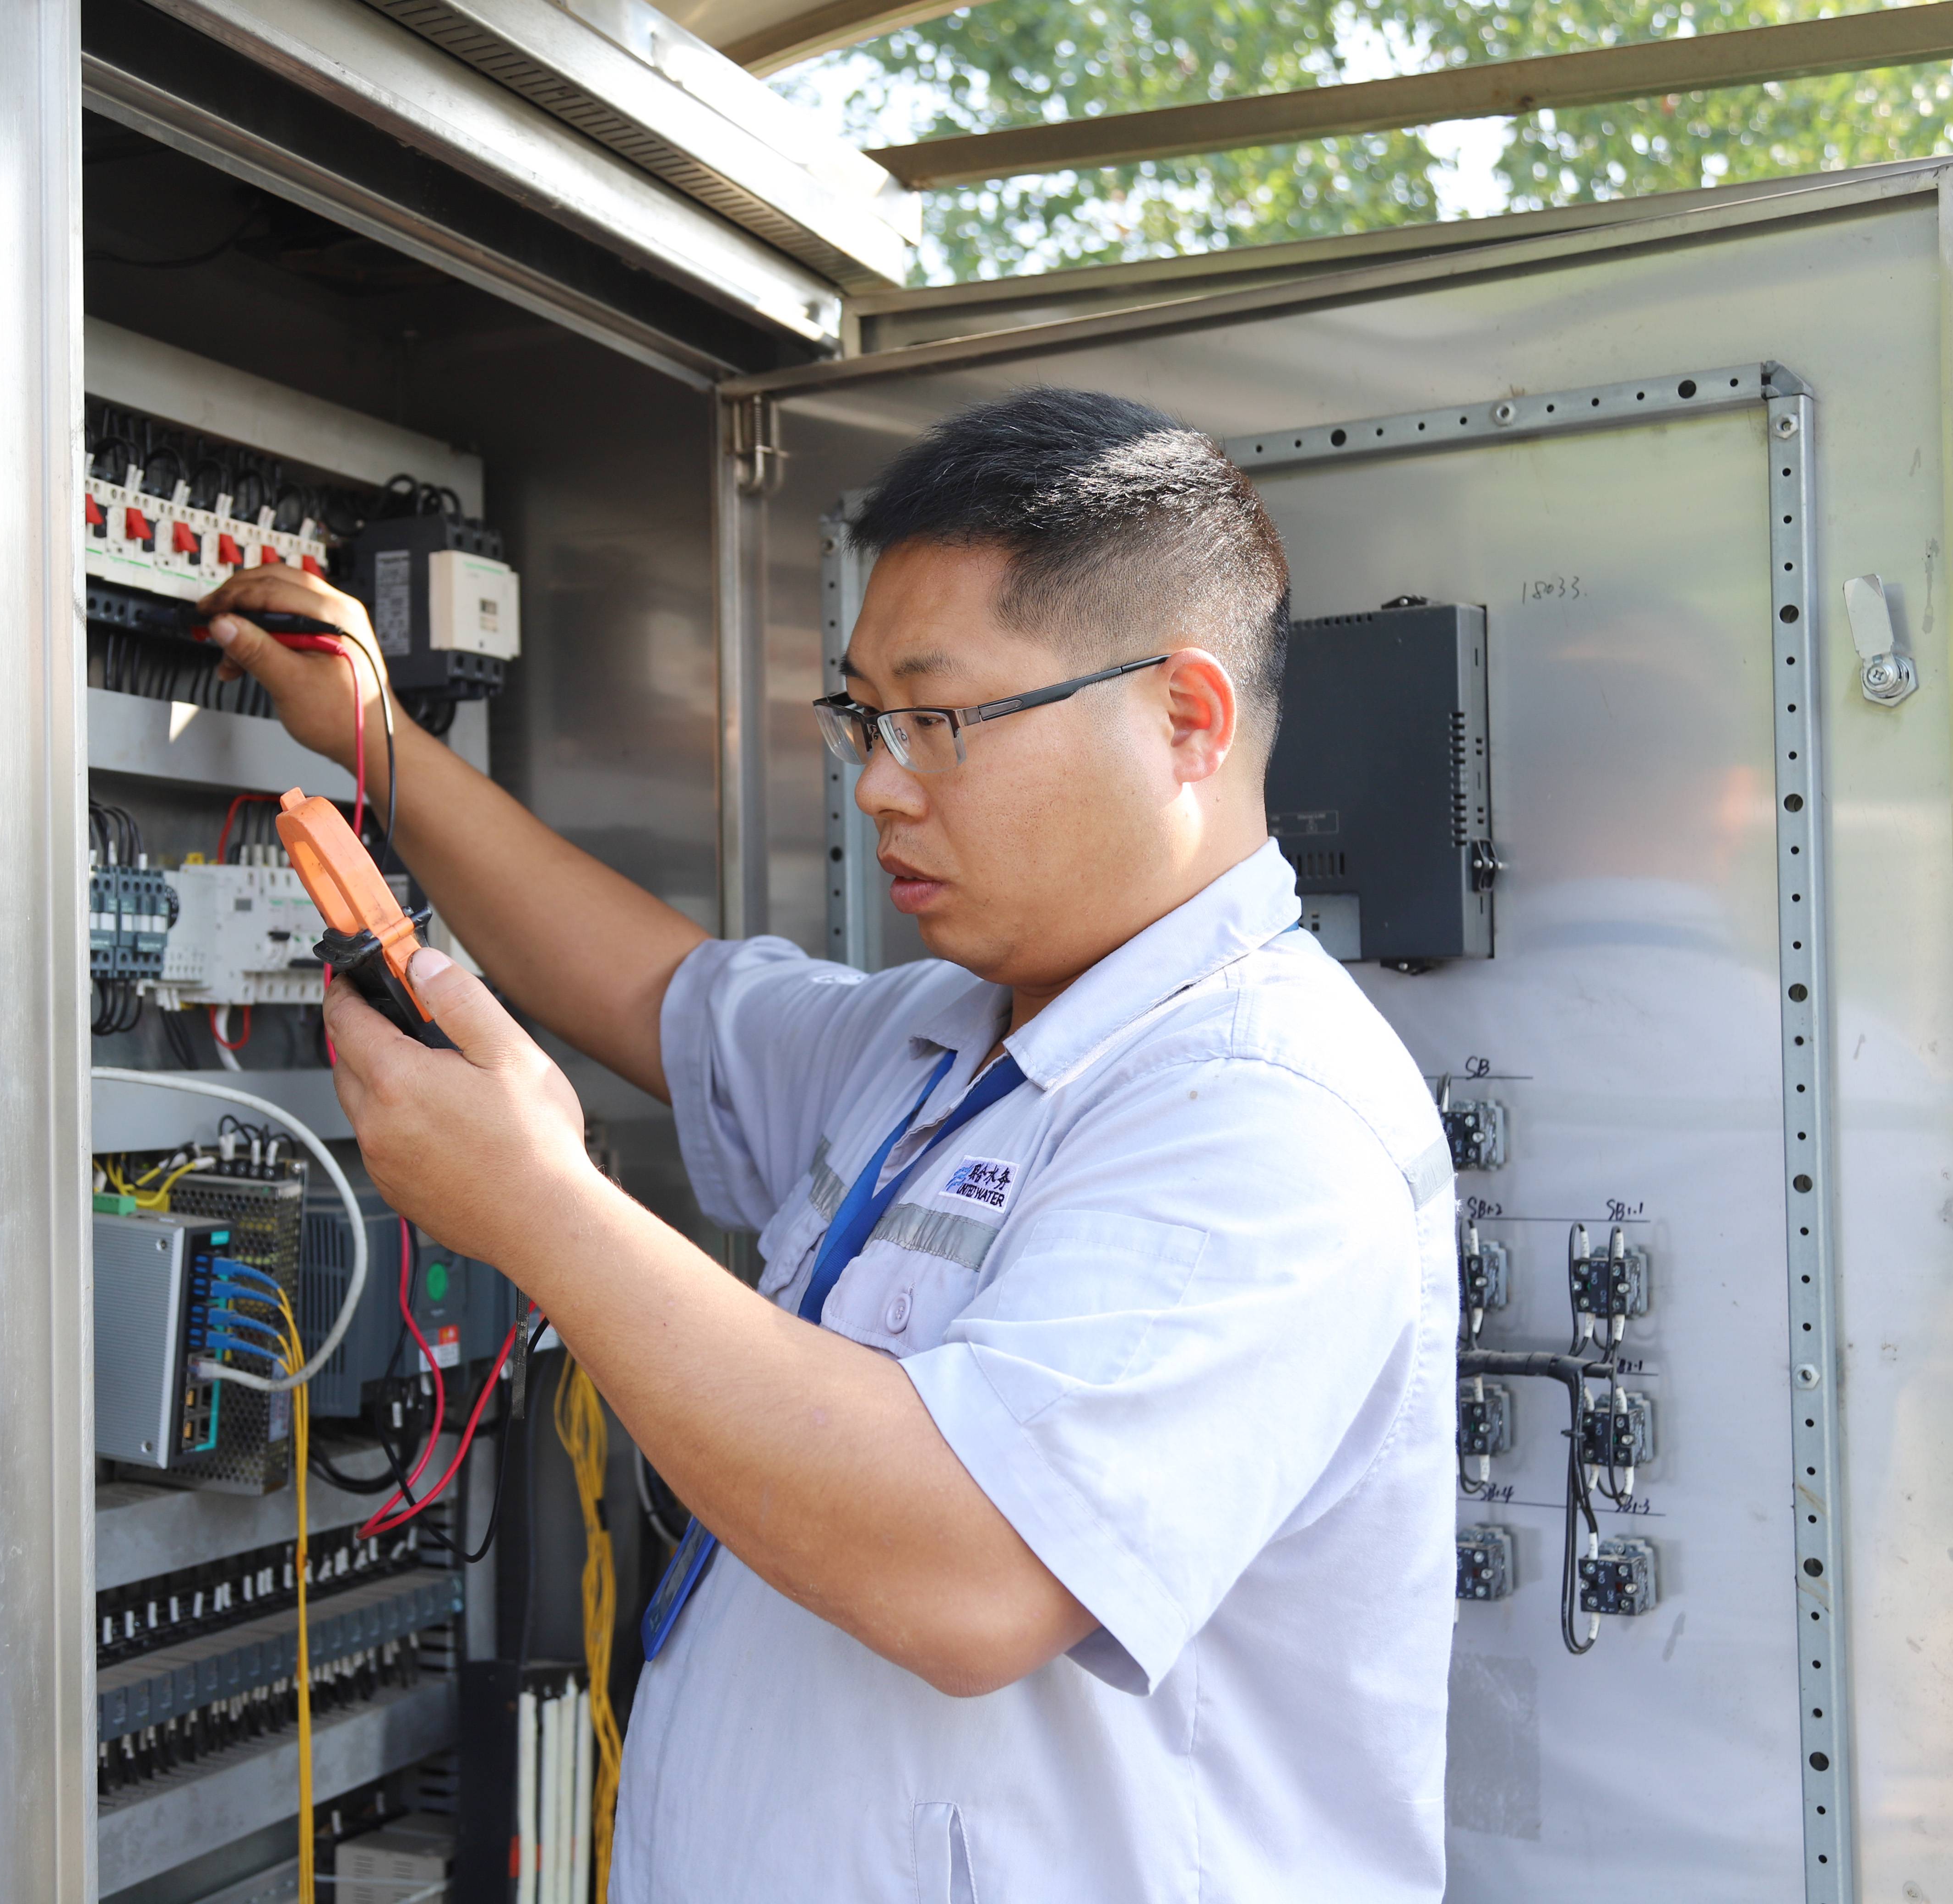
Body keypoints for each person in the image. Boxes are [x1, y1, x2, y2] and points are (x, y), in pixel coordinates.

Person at [194, 388, 1455, 1903]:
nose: (877, 783)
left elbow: (972, 1576)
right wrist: (377, 745)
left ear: (1185, 717)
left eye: (939, 721)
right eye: (865, 718)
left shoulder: (1263, 1112)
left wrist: (537, 1208)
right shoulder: (935, 1039)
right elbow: (650, 990)